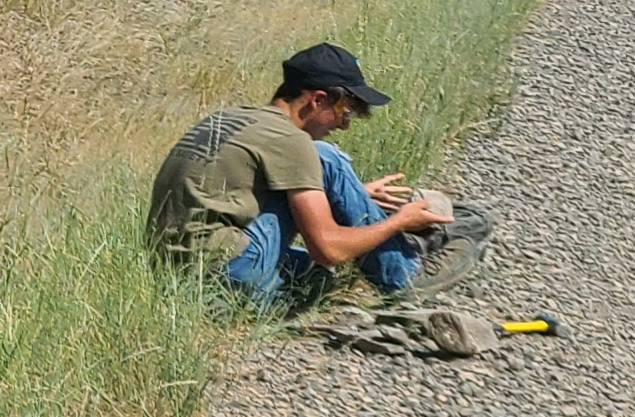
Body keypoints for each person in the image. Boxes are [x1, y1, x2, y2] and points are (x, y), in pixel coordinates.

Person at [148, 42, 484, 306]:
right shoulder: (292, 141)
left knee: (319, 266)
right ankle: (404, 272)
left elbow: (235, 195)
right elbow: (328, 249)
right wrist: (398, 221)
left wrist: (356, 193)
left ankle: (305, 281)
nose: (344, 123)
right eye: (345, 111)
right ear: (317, 100)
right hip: (229, 276)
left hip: (176, 278)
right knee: (326, 159)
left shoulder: (235, 119)